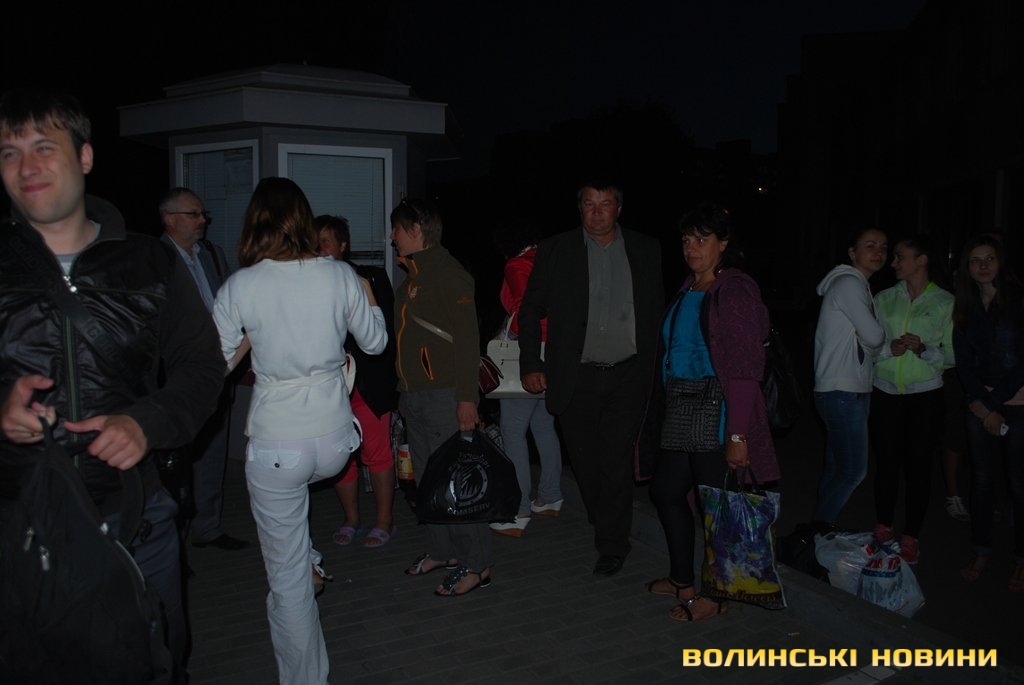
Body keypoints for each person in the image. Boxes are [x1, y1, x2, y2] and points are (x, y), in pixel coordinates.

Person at [0, 87, 224, 679]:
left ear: (85, 156)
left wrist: (147, 422)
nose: (26, 166)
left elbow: (202, 368)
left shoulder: (150, 262)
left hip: (135, 519)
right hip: (21, 522)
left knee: (153, 664)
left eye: (44, 147)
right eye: (9, 152)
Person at [211, 177, 387, 684]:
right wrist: (368, 296)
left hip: (279, 445)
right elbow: (375, 344)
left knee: (286, 583)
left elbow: (214, 366)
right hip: (335, 442)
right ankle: (305, 554)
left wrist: (250, 338)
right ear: (304, 220)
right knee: (294, 516)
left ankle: (305, 674)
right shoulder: (338, 274)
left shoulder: (241, 285)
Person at [519, 181, 663, 577]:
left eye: (605, 204)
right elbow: (530, 309)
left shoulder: (646, 249)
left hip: (627, 374)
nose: (597, 212)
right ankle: (605, 517)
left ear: (619, 208)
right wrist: (531, 363)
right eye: (589, 204)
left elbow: (655, 312)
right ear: (579, 208)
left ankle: (612, 544)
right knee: (586, 463)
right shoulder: (557, 249)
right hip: (576, 376)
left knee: (615, 461)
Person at [643, 205, 779, 621]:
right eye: (686, 240)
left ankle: (715, 595)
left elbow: (744, 369)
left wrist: (737, 435)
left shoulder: (735, 290)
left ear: (723, 244)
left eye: (701, 239)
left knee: (716, 507)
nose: (691, 248)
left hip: (716, 409)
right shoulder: (690, 286)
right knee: (666, 491)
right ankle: (682, 579)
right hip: (681, 407)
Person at [391, 197, 491, 595]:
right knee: (427, 480)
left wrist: (467, 399)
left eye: (397, 228)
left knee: (456, 482)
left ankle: (477, 564)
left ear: (416, 231)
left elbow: (468, 340)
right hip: (415, 396)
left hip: (445, 396)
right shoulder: (411, 278)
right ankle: (442, 551)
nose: (392, 236)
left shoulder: (449, 274)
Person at [159, 186, 249, 552]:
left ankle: (207, 528)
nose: (202, 221)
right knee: (178, 454)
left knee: (213, 448)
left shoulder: (211, 253)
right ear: (170, 220)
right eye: (193, 214)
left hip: (217, 366)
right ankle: (174, 539)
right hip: (179, 372)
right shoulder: (155, 258)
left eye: (202, 214)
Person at [869, 234, 954, 564]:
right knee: (886, 464)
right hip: (885, 392)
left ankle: (911, 536)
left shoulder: (945, 301)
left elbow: (952, 356)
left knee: (919, 468)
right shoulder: (884, 298)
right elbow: (868, 345)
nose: (892, 262)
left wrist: (924, 349)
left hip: (925, 397)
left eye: (899, 257)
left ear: (921, 260)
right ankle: (883, 526)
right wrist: (887, 350)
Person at [316, 214, 399, 548]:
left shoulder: (368, 278)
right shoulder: (306, 284)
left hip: (368, 383)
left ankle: (384, 521)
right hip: (329, 387)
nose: (320, 248)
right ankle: (351, 518)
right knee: (341, 456)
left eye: (326, 241)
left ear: (343, 245)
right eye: (314, 242)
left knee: (377, 453)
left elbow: (386, 334)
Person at [952, 233, 1024, 592]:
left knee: (1019, 483)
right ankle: (981, 550)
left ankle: (1022, 558)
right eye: (975, 260)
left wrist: (994, 406)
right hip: (980, 404)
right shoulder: (965, 307)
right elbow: (963, 361)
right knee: (982, 480)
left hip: (1018, 403)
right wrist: (979, 402)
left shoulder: (1018, 302)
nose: (983, 265)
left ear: (1000, 262)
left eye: (989, 258)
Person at [488, 218, 563, 537]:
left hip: (528, 358)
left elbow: (525, 315)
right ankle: (550, 497)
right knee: (544, 426)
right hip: (557, 355)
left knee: (513, 431)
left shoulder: (518, 265)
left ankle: (517, 511)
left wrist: (510, 334)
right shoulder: (553, 261)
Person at [810, 227, 888, 529]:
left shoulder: (859, 286)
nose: (878, 252)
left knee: (836, 469)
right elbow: (875, 337)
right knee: (853, 471)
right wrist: (873, 342)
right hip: (841, 391)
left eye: (883, 247)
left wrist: (871, 342)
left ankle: (818, 536)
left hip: (847, 389)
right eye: (870, 245)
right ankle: (818, 531)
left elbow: (870, 339)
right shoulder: (848, 283)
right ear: (852, 252)